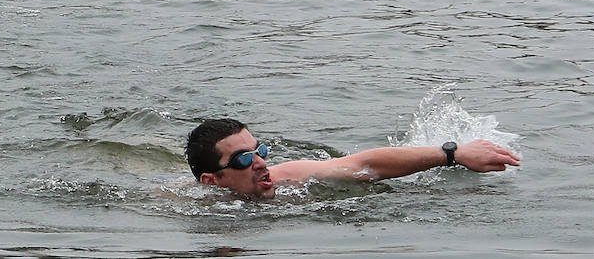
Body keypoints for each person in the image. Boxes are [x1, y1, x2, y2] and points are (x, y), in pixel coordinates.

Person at [185, 118, 519, 200]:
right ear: (211, 181)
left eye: (260, 151)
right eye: (243, 160)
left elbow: (363, 166)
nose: (261, 163)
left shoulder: (292, 177)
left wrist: (452, 154)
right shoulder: (183, 208)